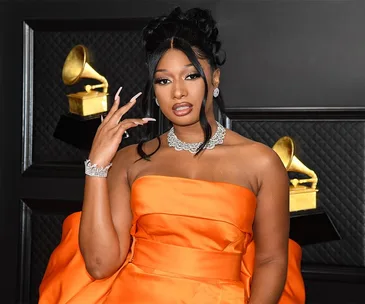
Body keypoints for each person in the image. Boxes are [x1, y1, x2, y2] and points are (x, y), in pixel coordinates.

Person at [39, 7, 305, 304]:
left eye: (191, 76)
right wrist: (97, 165)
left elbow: (271, 261)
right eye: (163, 80)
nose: (178, 92)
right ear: (154, 91)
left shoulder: (262, 163)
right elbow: (100, 265)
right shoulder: (130, 160)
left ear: (215, 79)